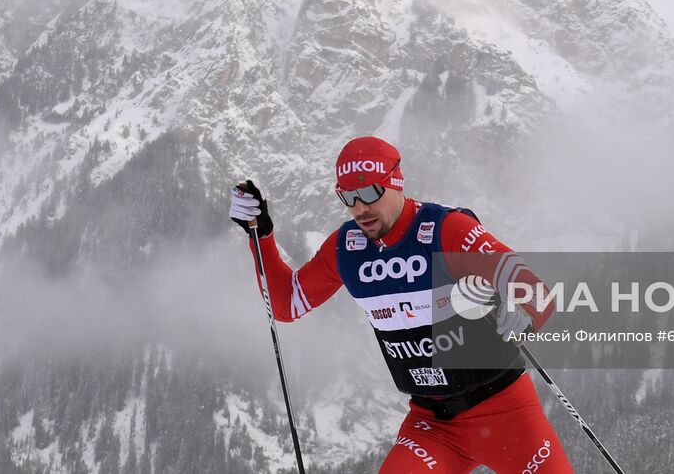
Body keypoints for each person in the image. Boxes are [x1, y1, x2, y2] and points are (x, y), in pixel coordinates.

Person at [229, 135, 573, 473]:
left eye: (369, 193)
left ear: (396, 183)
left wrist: (524, 312)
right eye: (348, 197)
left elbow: (534, 288)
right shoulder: (347, 248)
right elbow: (287, 304)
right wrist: (261, 236)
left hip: (505, 411)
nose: (360, 208)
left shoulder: (445, 229)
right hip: (432, 425)